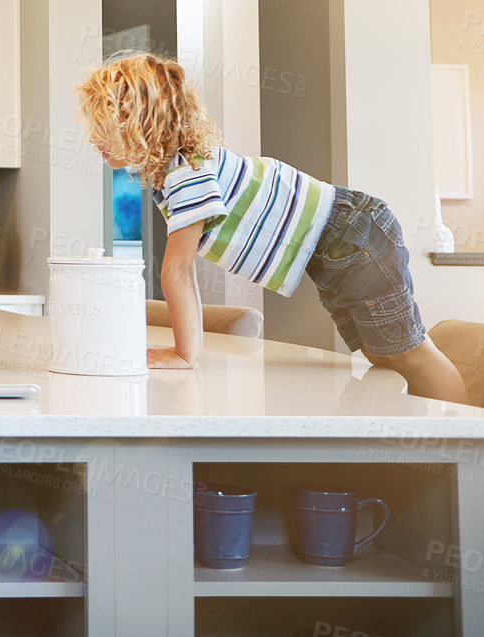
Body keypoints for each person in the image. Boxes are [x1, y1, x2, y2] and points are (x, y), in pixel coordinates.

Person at [76, 51, 467, 402]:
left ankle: (469, 448)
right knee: (381, 354)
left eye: (104, 127)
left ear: (142, 124)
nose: (94, 139)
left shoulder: (188, 175)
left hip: (352, 233)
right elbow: (183, 272)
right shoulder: (181, 169)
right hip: (338, 243)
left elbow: (177, 270)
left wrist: (183, 354)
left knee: (410, 354)